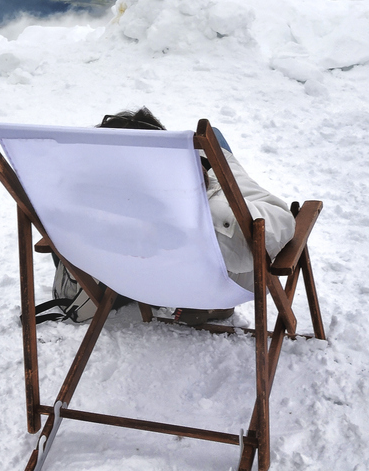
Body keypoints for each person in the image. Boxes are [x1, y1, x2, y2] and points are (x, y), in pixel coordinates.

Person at [97, 107, 296, 321]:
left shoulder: (91, 203)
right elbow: (277, 231)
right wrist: (197, 195)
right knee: (211, 138)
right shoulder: (195, 196)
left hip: (137, 281)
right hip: (224, 283)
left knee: (209, 138)